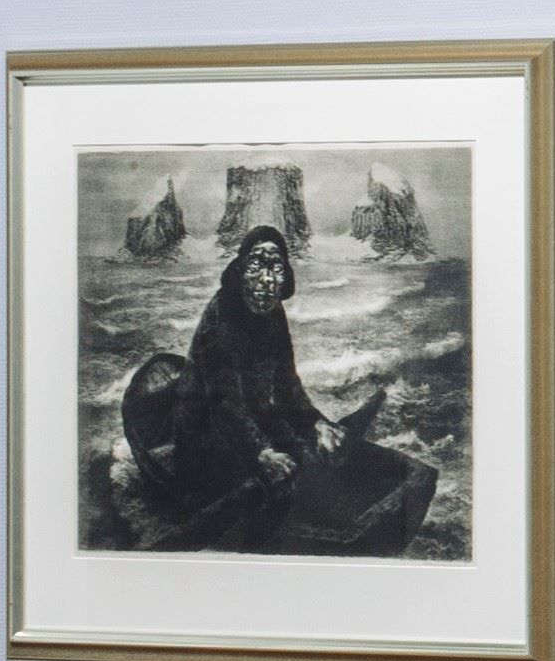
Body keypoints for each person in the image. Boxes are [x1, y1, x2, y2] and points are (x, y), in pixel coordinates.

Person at [130, 222, 433, 548]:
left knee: (313, 454)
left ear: (284, 275)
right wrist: (262, 453)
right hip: (205, 433)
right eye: (256, 265)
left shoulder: (274, 314)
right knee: (279, 482)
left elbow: (288, 385)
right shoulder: (221, 321)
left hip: (249, 418)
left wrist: (317, 422)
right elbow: (225, 404)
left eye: (274, 267)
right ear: (240, 270)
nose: (265, 279)